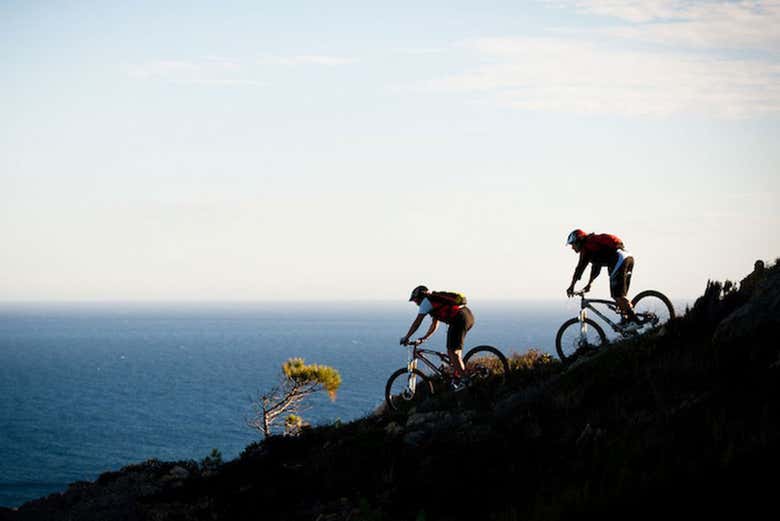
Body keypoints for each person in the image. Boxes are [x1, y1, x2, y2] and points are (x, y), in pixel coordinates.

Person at [400, 285, 475, 389]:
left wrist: (406, 337)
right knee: (456, 352)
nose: (416, 303)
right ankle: (459, 374)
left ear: (420, 297)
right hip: (467, 315)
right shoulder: (434, 301)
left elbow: (417, 322)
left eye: (416, 300)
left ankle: (466, 380)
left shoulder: (426, 302)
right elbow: (434, 325)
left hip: (459, 319)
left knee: (451, 352)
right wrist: (424, 338)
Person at [565, 229, 640, 328]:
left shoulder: (586, 248)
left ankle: (635, 320)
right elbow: (596, 268)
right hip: (627, 257)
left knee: (618, 296)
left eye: (572, 244)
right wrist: (589, 284)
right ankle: (627, 319)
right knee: (620, 296)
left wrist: (571, 286)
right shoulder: (592, 246)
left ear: (578, 241)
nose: (572, 248)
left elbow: (579, 269)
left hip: (619, 259)